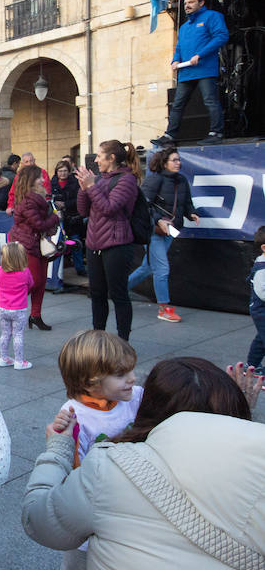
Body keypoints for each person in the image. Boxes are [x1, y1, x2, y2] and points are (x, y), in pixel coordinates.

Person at [23, 357, 264, 569]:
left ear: (151, 406)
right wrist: (238, 418)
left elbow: (39, 520)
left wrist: (57, 450)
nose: (133, 379)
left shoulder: (108, 468)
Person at [52, 330, 143, 569]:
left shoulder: (134, 397)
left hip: (128, 506)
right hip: (91, 515)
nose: (132, 378)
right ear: (89, 381)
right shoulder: (75, 417)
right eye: (121, 374)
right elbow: (72, 475)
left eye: (131, 369)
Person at [76, 141, 140, 341]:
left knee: (119, 295)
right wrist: (83, 188)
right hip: (94, 245)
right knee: (97, 294)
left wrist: (91, 187)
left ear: (111, 158)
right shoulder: (99, 179)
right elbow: (83, 210)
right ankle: (98, 337)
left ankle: (123, 341)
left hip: (117, 245)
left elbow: (109, 208)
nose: (96, 160)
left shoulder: (127, 180)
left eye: (99, 155)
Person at [127, 148, 199, 322]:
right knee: (162, 268)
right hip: (153, 231)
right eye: (174, 160)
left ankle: (118, 289)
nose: (178, 163)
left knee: (148, 267)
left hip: (170, 231)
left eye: (178, 160)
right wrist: (159, 220)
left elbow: (186, 202)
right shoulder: (154, 180)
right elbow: (143, 206)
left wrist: (191, 214)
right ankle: (164, 309)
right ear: (164, 162)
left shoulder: (181, 180)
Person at [151, 0, 229, 147]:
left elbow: (221, 36)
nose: (187, 6)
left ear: (201, 3)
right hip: (186, 71)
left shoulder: (212, 17)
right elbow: (179, 46)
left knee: (209, 100)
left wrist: (200, 55)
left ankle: (216, 132)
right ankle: (170, 135)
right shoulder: (185, 26)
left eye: (191, 2)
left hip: (205, 68)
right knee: (178, 104)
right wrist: (175, 60)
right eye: (185, 3)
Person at [7, 165, 60, 331]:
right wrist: (55, 218)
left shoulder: (38, 197)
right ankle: (10, 306)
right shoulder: (27, 201)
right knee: (35, 280)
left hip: (39, 244)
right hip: (27, 244)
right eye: (39, 177)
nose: (43, 180)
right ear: (31, 180)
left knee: (42, 281)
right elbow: (38, 224)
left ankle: (35, 315)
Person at [0, 242, 34, 370]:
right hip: (19, 310)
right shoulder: (25, 273)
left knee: (5, 333)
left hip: (3, 308)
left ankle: (3, 358)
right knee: (18, 334)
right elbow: (31, 285)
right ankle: (19, 361)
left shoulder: (0, 271)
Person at [51, 160, 85, 276]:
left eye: (65, 171)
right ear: (56, 172)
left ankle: (80, 268)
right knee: (58, 245)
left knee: (75, 243)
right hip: (58, 219)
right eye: (60, 171)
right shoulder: (52, 183)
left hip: (72, 217)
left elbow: (79, 199)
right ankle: (58, 273)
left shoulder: (75, 182)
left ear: (69, 171)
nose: (63, 173)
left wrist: (65, 204)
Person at [245, 226, 265, 377]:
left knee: (261, 338)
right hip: (261, 311)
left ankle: (252, 366)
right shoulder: (261, 269)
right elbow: (262, 293)